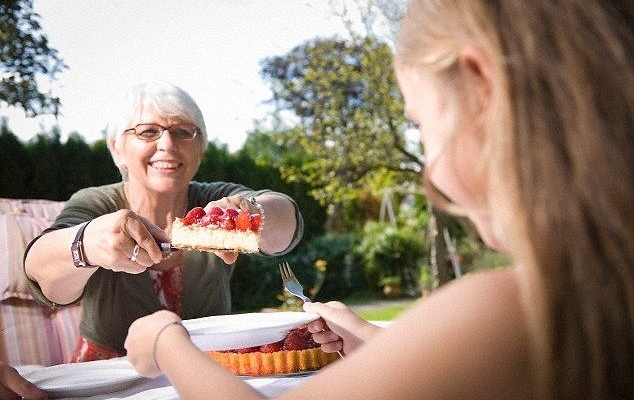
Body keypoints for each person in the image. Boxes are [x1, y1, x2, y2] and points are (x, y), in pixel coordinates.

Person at [124, 1, 633, 399]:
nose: (429, 170)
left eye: (421, 126)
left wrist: (168, 342)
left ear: (482, 89)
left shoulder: (514, 308)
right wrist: (379, 341)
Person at [23, 82, 304, 362]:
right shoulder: (96, 203)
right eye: (148, 132)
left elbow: (287, 223)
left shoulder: (215, 197)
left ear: (201, 146)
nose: (167, 145)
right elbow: (42, 275)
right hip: (111, 375)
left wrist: (248, 212)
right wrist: (86, 244)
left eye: (183, 132)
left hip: (207, 369)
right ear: (117, 148)